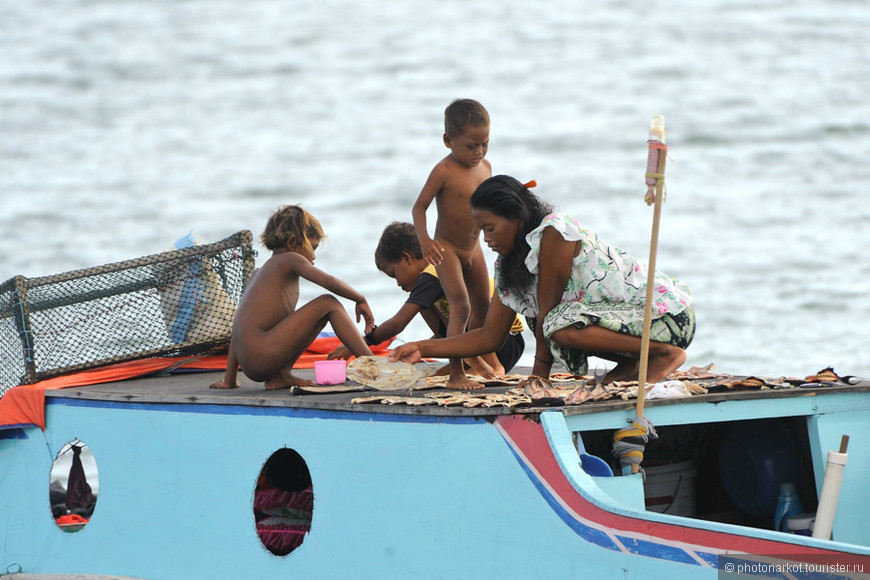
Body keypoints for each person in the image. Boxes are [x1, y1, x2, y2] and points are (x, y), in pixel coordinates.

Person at [392, 175, 695, 386]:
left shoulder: (554, 234)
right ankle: (635, 363)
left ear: (517, 218)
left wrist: (539, 378)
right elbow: (488, 337)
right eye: (481, 231)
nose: (485, 239)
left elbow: (548, 315)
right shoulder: (508, 264)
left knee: (555, 324)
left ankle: (665, 354)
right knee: (557, 326)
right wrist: (422, 347)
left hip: (666, 317)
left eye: (490, 228)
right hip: (628, 328)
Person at [328, 222, 525, 382]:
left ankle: (490, 367)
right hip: (492, 343)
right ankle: (474, 366)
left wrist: (362, 342)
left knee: (466, 311)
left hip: (501, 340)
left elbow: (398, 323)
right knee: (433, 374)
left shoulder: (433, 272)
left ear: (406, 257)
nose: (397, 283)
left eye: (394, 274)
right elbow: (442, 334)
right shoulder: (427, 282)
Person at [229, 205, 375, 390]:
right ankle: (373, 367)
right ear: (292, 242)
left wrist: (230, 379)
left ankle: (279, 377)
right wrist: (359, 299)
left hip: (251, 362)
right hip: (264, 353)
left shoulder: (258, 274)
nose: (314, 256)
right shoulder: (290, 259)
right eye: (312, 247)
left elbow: (239, 327)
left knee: (316, 316)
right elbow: (329, 282)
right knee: (328, 303)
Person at [411, 98, 499, 390]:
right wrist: (424, 240)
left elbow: (491, 205)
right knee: (459, 306)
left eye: (484, 143)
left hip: (473, 247)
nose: (479, 152)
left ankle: (476, 358)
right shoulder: (443, 171)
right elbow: (419, 208)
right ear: (449, 140)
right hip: (446, 247)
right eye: (471, 146)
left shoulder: (485, 167)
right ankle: (455, 373)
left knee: (483, 307)